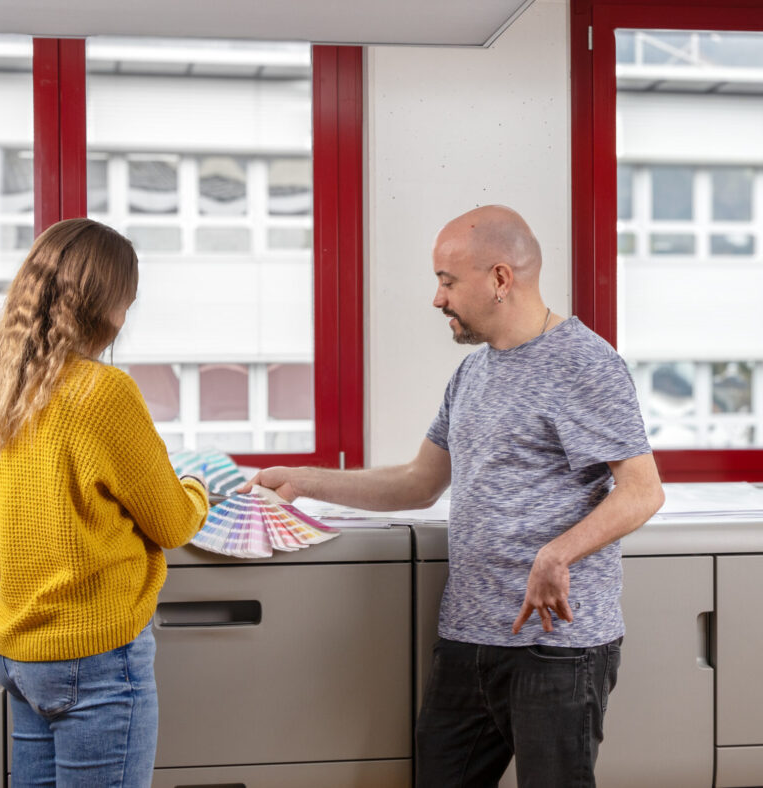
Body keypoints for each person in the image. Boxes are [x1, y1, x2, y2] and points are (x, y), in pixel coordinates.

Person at [243, 204, 665, 788]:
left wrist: (557, 554)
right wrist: (301, 479)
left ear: (499, 279)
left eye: (447, 281)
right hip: (469, 639)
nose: (437, 299)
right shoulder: (474, 373)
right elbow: (418, 482)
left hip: (556, 647)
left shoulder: (584, 364)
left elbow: (642, 491)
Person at [0, 218, 209, 788]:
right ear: (106, 306)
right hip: (97, 657)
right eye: (126, 303)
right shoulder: (102, 393)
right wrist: (197, 488)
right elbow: (173, 522)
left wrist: (20, 516)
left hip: (19, 654)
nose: (124, 319)